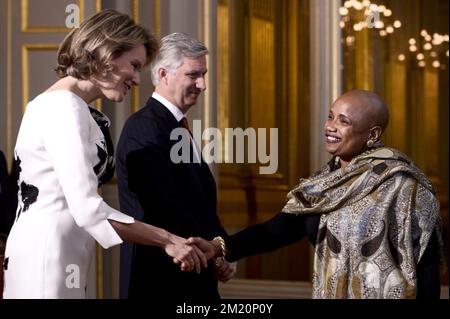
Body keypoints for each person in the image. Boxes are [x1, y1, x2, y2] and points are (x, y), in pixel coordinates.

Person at [2, 10, 208, 299]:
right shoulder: (62, 107)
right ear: (106, 52)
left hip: (61, 250)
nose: (137, 79)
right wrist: (167, 240)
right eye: (134, 65)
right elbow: (88, 208)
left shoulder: (68, 107)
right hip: (47, 254)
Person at [189, 90, 444, 299]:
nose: (330, 127)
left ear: (373, 134)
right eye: (331, 116)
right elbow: (277, 231)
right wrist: (217, 247)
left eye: (344, 121)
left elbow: (426, 264)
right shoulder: (322, 187)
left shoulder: (403, 186)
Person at [116, 32, 236, 301]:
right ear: (163, 74)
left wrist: (221, 248)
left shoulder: (178, 127)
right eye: (193, 75)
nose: (202, 84)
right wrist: (216, 251)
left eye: (203, 74)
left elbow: (199, 204)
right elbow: (163, 207)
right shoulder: (144, 128)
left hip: (191, 275)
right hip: (160, 281)